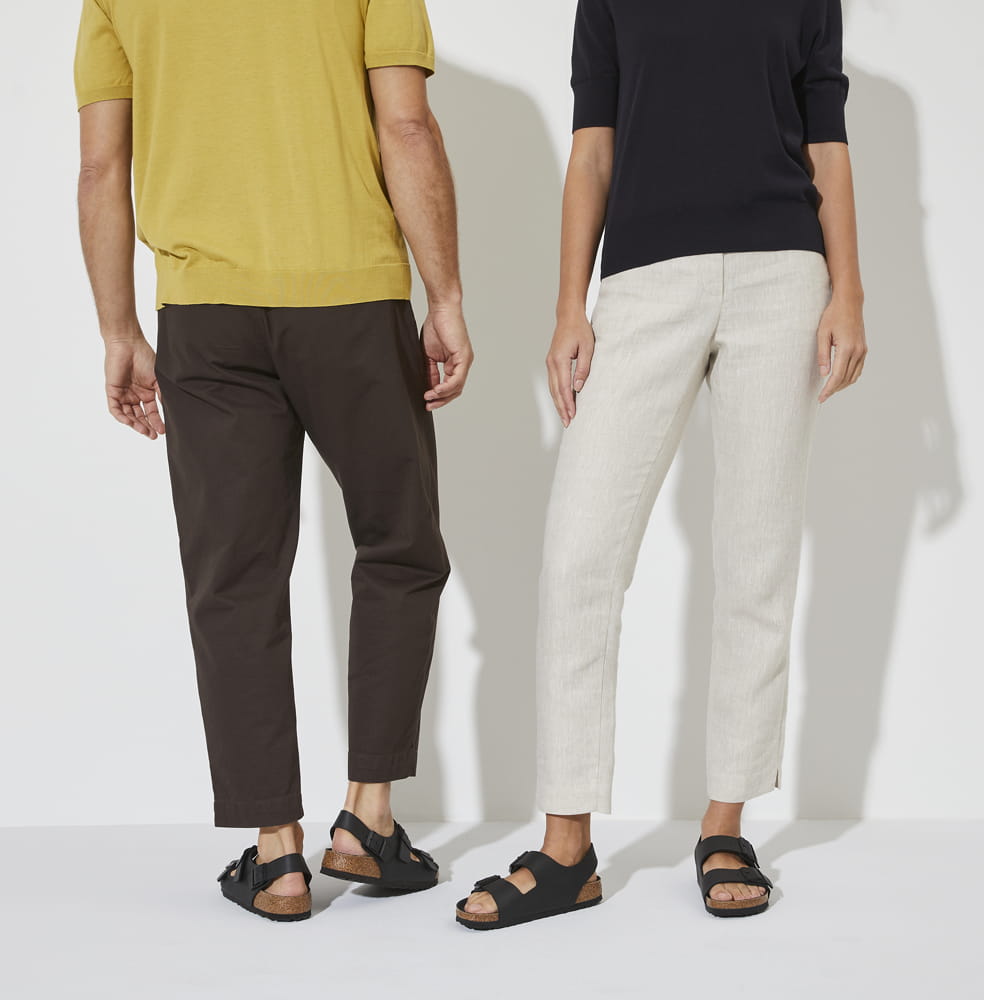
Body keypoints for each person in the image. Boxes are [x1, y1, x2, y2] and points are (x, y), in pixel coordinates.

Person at [457, 0, 866, 929]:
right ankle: (567, 848)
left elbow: (828, 146)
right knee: (579, 558)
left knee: (757, 559)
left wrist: (849, 291)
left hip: (782, 278)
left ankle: (725, 828)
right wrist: (570, 306)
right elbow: (592, 150)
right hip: (644, 281)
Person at [75, 0, 472, 922]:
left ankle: (277, 853)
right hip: (353, 299)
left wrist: (118, 330)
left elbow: (101, 166)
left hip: (204, 315)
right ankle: (368, 820)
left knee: (234, 578)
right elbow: (407, 125)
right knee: (400, 546)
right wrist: (446, 295)